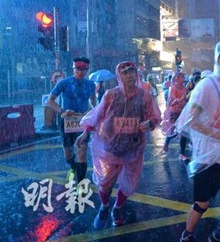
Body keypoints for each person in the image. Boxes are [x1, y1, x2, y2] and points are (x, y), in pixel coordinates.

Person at [176, 42, 220, 242]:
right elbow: (189, 120)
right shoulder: (207, 85)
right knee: (202, 203)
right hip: (207, 157)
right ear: (219, 60)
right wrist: (219, 135)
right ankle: (188, 233)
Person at [76, 61, 161, 229]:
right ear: (119, 76)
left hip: (133, 149)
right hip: (110, 148)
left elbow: (155, 117)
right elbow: (97, 115)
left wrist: (149, 123)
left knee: (129, 184)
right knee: (105, 183)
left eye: (132, 71)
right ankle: (105, 206)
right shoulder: (111, 95)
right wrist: (86, 132)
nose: (129, 75)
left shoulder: (145, 96)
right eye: (125, 73)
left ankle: (118, 208)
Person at [47, 57, 96, 185]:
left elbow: (92, 100)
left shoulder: (90, 85)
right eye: (78, 69)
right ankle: (73, 166)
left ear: (87, 70)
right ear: (73, 69)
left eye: (83, 69)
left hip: (82, 121)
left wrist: (93, 111)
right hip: (66, 120)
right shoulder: (64, 83)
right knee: (68, 155)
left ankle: (80, 183)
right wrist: (62, 111)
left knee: (82, 151)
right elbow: (50, 101)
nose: (80, 72)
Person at [161, 72, 189, 160]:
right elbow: (172, 99)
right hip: (174, 112)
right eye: (181, 77)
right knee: (174, 130)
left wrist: (185, 100)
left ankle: (182, 154)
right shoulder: (172, 88)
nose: (183, 79)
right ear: (176, 78)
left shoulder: (185, 89)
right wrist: (181, 100)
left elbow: (186, 100)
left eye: (183, 77)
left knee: (183, 132)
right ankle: (167, 141)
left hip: (183, 112)